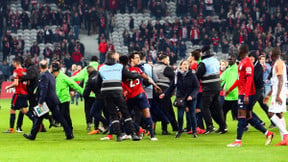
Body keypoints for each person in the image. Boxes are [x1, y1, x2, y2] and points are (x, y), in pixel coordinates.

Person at [226, 44, 274, 147]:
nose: (237, 51)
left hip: (245, 94)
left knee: (241, 115)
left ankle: (238, 141)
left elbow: (249, 80)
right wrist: (230, 89)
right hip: (241, 93)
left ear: (242, 51)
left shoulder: (247, 63)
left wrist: (247, 95)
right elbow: (240, 79)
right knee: (248, 117)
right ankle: (268, 133)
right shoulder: (242, 63)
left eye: (238, 49)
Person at [23, 60, 73, 140]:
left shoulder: (43, 76)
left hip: (47, 101)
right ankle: (69, 133)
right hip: (53, 100)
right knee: (58, 117)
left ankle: (32, 135)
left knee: (39, 117)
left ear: (40, 67)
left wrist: (40, 101)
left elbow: (44, 89)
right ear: (48, 66)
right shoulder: (51, 76)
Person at [97, 51, 141, 142]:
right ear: (113, 56)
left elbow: (98, 82)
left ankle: (118, 136)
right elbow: (129, 75)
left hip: (105, 92)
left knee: (113, 114)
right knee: (125, 112)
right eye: (117, 54)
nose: (118, 56)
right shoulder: (119, 66)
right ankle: (133, 134)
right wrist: (138, 75)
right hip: (117, 90)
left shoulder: (101, 68)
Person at [123, 52, 161, 141]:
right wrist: (155, 85)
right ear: (131, 59)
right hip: (136, 95)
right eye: (136, 58)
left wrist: (155, 85)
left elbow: (146, 78)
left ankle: (129, 133)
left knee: (129, 116)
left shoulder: (128, 70)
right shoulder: (137, 70)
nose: (138, 59)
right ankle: (150, 135)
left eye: (138, 57)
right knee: (143, 115)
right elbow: (146, 78)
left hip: (133, 95)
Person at [160, 60, 200, 138]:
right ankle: (179, 130)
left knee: (192, 115)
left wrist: (192, 96)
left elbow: (196, 87)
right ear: (180, 66)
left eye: (187, 64)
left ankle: (194, 131)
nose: (186, 66)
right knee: (180, 115)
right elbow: (172, 86)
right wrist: (164, 94)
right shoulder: (177, 75)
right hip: (181, 97)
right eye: (184, 64)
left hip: (191, 98)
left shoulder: (192, 74)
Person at [196, 46, 227, 134]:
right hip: (217, 87)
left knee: (204, 107)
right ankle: (223, 126)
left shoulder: (203, 63)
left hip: (208, 88)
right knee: (217, 107)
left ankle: (210, 126)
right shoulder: (215, 60)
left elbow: (198, 75)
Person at [3, 57, 35, 133]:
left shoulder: (16, 71)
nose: (13, 64)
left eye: (13, 63)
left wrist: (8, 86)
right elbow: (28, 82)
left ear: (15, 63)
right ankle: (36, 120)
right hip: (25, 93)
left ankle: (11, 129)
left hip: (18, 93)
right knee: (24, 110)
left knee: (12, 109)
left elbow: (16, 83)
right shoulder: (25, 71)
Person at [263, 48, 288, 146]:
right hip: (279, 91)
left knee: (270, 113)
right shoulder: (278, 64)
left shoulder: (279, 64)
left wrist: (277, 95)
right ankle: (284, 140)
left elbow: (280, 80)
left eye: (271, 54)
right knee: (279, 115)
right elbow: (276, 82)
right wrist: (268, 95)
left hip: (280, 92)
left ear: (273, 55)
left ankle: (285, 133)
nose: (270, 56)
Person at [51, 62, 84, 133]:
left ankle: (69, 129)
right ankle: (67, 128)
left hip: (64, 99)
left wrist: (82, 91)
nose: (53, 73)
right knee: (62, 115)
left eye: (54, 72)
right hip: (57, 99)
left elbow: (73, 84)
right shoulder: (53, 77)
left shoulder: (63, 77)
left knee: (65, 115)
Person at [153, 52, 178, 135]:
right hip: (164, 89)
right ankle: (164, 129)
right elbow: (174, 79)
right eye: (168, 59)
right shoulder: (166, 68)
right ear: (164, 60)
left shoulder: (153, 67)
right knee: (165, 109)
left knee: (156, 109)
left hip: (154, 90)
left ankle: (153, 129)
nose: (169, 61)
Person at [72, 56, 99, 130]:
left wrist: (68, 79)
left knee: (87, 109)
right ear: (97, 60)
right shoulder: (100, 67)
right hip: (98, 92)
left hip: (88, 92)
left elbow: (77, 77)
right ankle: (97, 126)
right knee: (98, 109)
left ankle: (89, 123)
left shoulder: (87, 68)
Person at [84, 66, 109, 135]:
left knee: (93, 112)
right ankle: (103, 128)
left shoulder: (90, 79)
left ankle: (106, 123)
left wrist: (86, 97)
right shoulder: (101, 74)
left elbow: (86, 93)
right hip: (108, 95)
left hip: (100, 97)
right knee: (107, 113)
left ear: (88, 72)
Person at [220, 55, 238, 123]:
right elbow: (221, 80)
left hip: (235, 95)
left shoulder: (238, 69)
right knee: (223, 111)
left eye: (231, 59)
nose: (229, 60)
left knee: (236, 113)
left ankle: (245, 125)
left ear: (235, 61)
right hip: (228, 96)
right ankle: (223, 126)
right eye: (229, 59)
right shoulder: (227, 70)